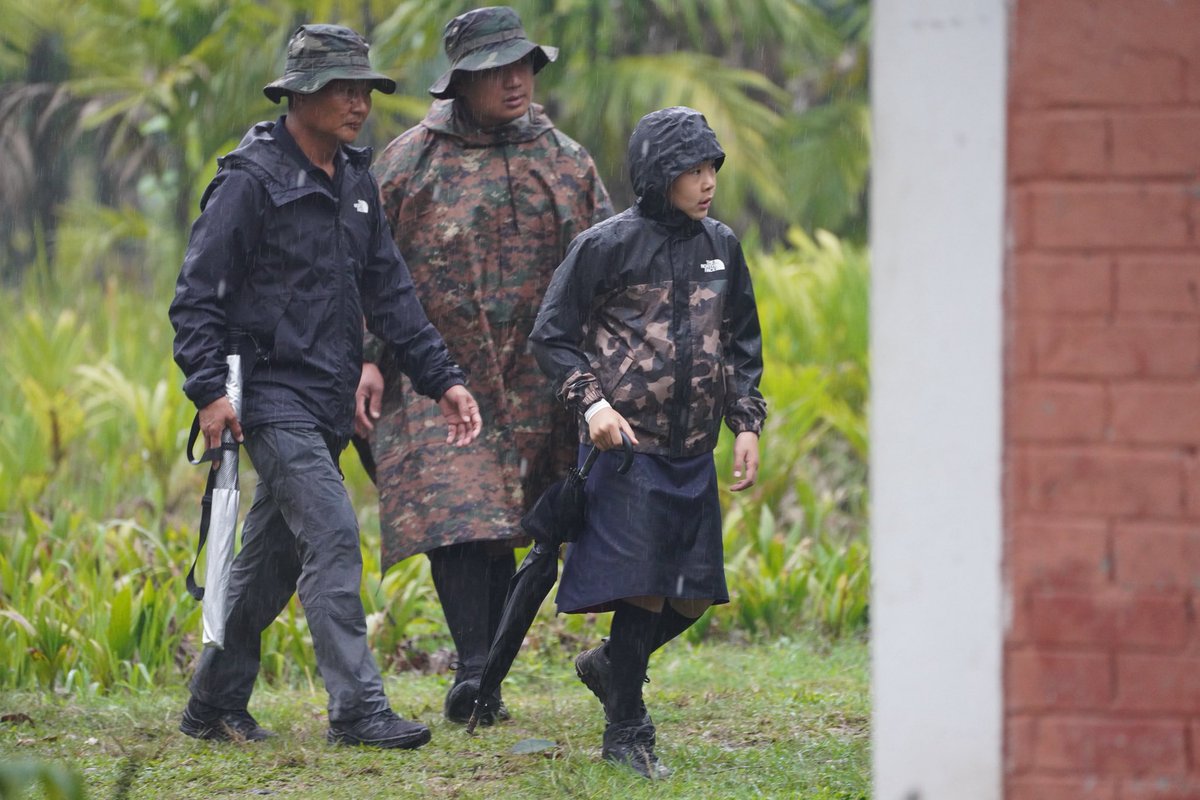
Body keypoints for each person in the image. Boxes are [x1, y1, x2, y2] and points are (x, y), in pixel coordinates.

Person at [169, 24, 482, 750]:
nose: (357, 103)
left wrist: (445, 382)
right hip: (271, 396)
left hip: (328, 397)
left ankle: (211, 704)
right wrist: (208, 390)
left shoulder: (356, 183)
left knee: (271, 561)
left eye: (364, 89)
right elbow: (197, 297)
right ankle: (357, 711)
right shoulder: (250, 181)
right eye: (342, 89)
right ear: (300, 95)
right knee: (335, 534)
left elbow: (394, 296)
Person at [355, 6, 612, 725]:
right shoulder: (408, 165)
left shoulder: (567, 162)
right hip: (436, 384)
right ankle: (475, 672)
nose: (514, 81)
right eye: (495, 70)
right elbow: (366, 274)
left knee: (525, 526)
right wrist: (369, 359)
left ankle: (487, 675)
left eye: (523, 65)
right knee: (459, 516)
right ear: (460, 83)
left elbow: (612, 270)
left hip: (541, 386)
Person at [529, 106, 767, 778]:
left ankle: (611, 667)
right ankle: (626, 734)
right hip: (627, 447)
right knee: (643, 591)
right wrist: (592, 404)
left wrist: (745, 422)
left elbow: (743, 343)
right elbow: (552, 336)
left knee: (689, 595)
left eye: (711, 167)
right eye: (691, 169)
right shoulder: (606, 246)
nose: (706, 181)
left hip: (694, 449)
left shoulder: (723, 245)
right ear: (658, 174)